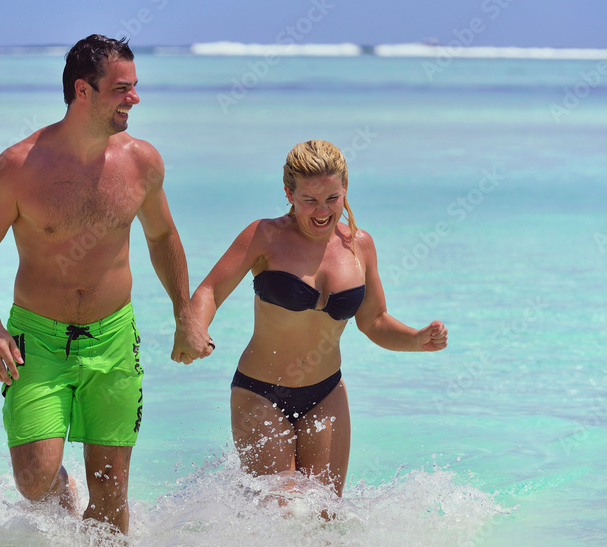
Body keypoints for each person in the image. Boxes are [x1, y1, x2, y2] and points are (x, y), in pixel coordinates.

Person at [0, 34, 213, 534]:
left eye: (134, 86)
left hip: (113, 338)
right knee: (35, 479)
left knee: (111, 491)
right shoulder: (18, 167)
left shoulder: (141, 162)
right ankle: (62, 491)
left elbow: (162, 235)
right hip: (36, 339)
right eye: (121, 89)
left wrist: (185, 314)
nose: (134, 98)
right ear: (83, 90)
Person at [184, 139, 448, 498]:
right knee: (282, 510)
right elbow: (210, 291)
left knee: (325, 516)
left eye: (332, 198)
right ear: (289, 193)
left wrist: (415, 339)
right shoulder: (265, 236)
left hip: (326, 392)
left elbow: (374, 321)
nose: (322, 211)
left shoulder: (360, 245)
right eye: (310, 199)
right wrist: (196, 329)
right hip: (261, 393)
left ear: (346, 188)